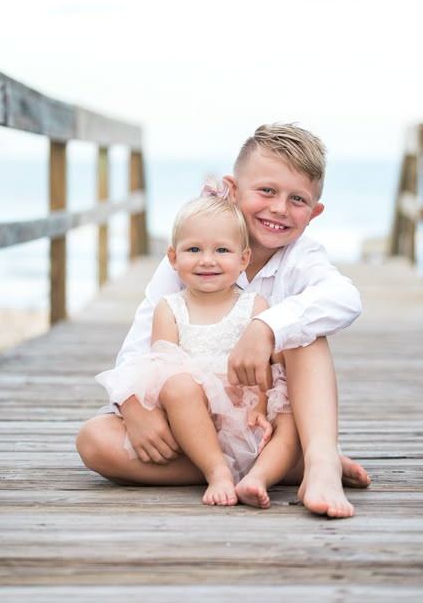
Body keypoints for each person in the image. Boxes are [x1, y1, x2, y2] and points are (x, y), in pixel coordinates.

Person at [77, 123, 371, 518]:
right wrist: (133, 406)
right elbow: (140, 348)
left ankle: (318, 463)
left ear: (314, 212)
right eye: (266, 190)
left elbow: (345, 298)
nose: (279, 208)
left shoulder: (302, 258)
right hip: (193, 422)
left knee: (307, 336)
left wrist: (266, 327)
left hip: (260, 419)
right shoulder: (194, 254)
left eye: (297, 199)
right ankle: (269, 467)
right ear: (233, 189)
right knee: (95, 440)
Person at [94, 196, 300, 507]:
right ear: (173, 258)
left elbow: (264, 370)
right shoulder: (170, 308)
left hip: (243, 422)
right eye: (194, 250)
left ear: (243, 259)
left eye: (221, 250)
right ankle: (218, 469)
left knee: (291, 422)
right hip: (189, 423)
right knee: (96, 436)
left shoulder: (254, 306)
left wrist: (258, 406)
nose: (207, 260)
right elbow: (157, 371)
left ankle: (259, 467)